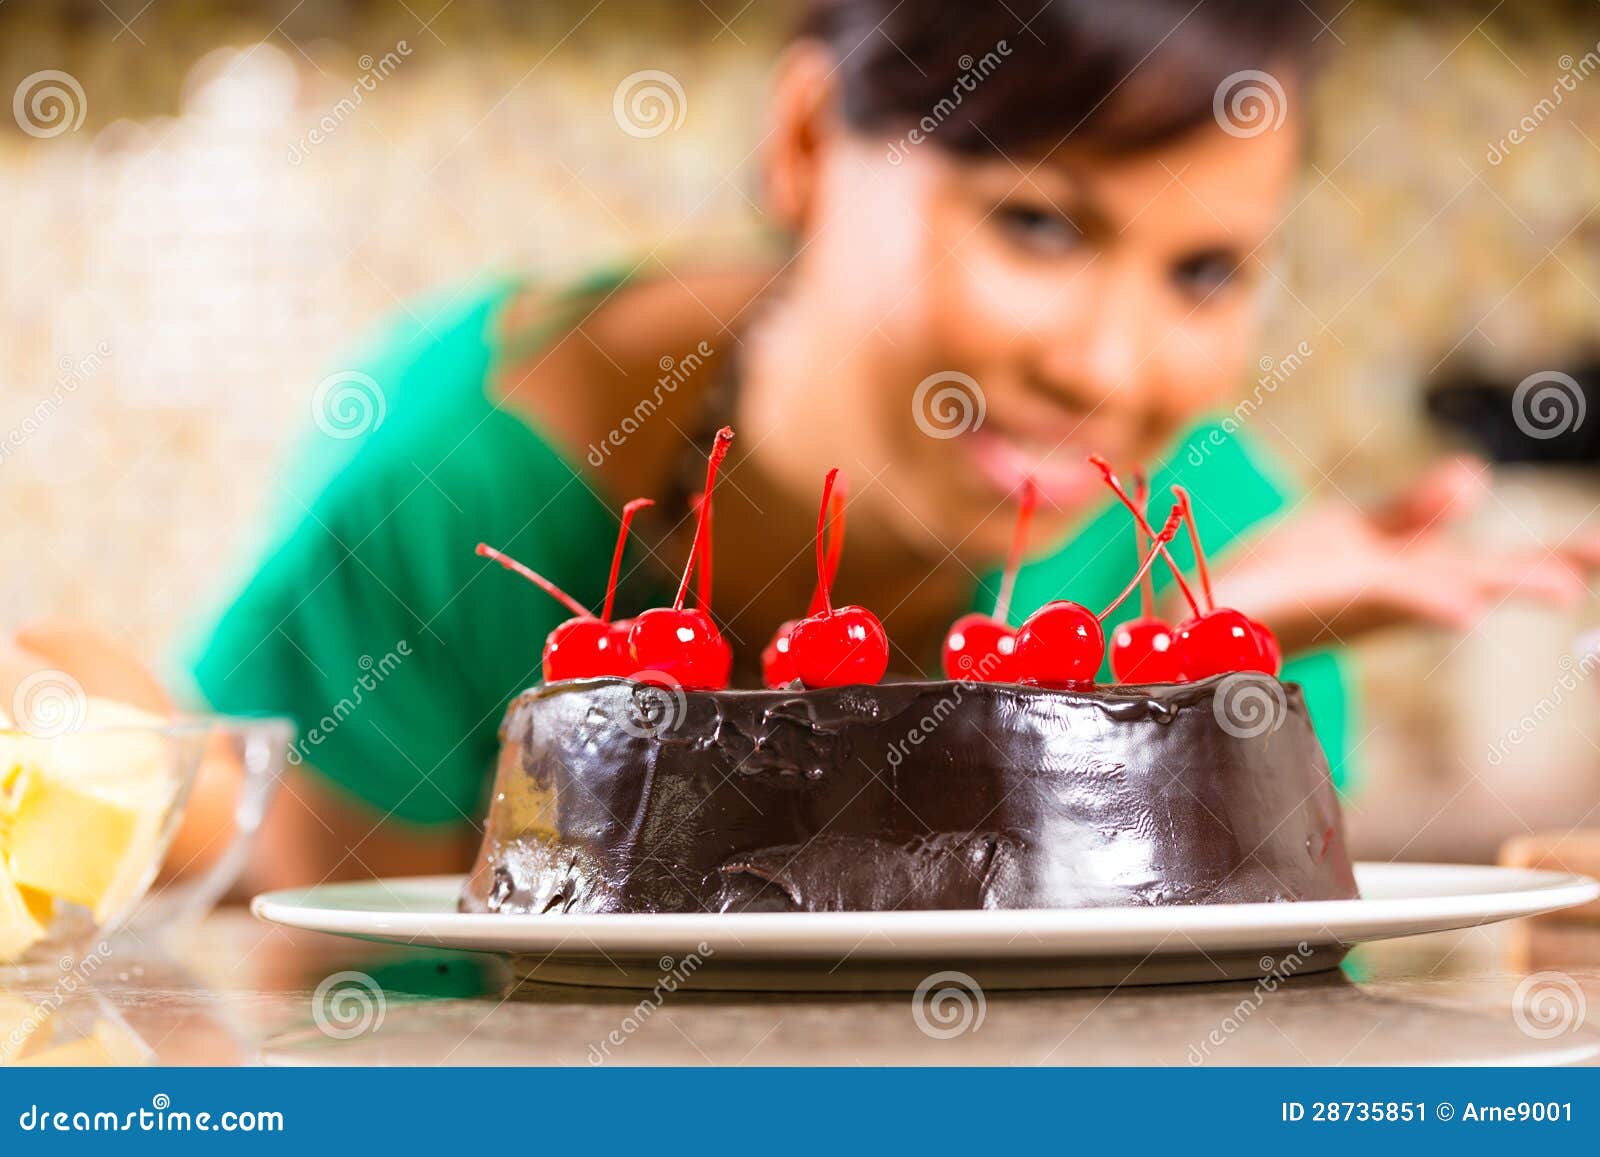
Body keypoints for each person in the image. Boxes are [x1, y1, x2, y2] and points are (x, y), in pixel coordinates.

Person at [28, 0, 1589, 888]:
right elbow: (300, 910)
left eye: (1205, 270)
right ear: (798, 144)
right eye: (1035, 221)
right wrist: (90, 763)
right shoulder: (475, 464)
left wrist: (1186, 686)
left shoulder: (1230, 575)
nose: (1110, 364)